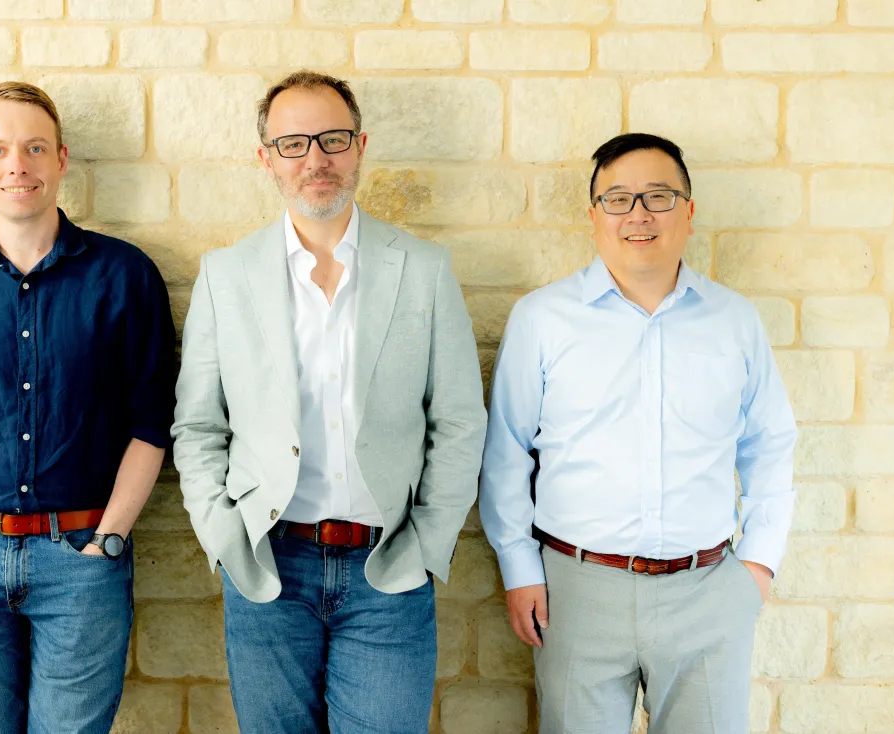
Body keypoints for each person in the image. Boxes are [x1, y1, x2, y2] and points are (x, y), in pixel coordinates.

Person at [171, 70, 487, 733]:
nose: (315, 158)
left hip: (388, 569)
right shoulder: (226, 275)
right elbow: (199, 426)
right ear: (267, 159)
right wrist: (225, 538)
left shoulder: (423, 269)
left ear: (360, 146)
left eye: (333, 139)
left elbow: (459, 420)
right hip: (267, 567)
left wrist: (429, 541)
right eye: (293, 144)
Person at [479, 133, 797, 734]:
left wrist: (757, 566)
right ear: (594, 215)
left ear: (689, 210)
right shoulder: (542, 318)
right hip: (575, 592)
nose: (639, 215)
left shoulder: (734, 320)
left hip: (707, 590)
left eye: (658, 196)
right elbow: (507, 453)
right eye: (619, 199)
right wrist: (520, 568)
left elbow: (770, 445)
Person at [0, 81, 175, 734]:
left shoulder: (124, 276)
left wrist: (108, 541)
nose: (16, 164)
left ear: (61, 159)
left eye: (34, 147)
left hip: (80, 560)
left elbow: (151, 423)